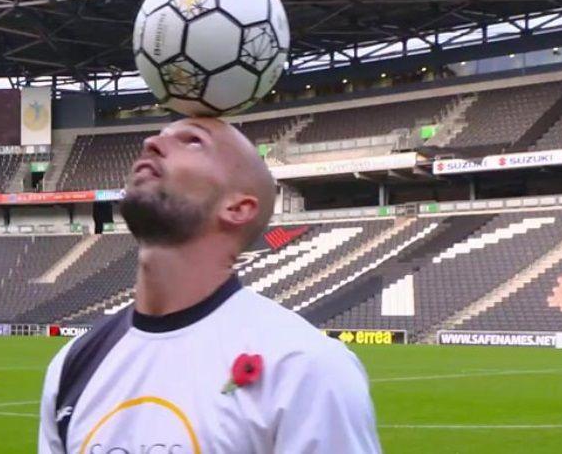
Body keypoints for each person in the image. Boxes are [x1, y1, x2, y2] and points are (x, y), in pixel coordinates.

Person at [38, 117, 381, 453]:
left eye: (193, 141)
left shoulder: (305, 368)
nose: (151, 143)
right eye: (159, 135)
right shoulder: (73, 364)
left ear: (237, 207)